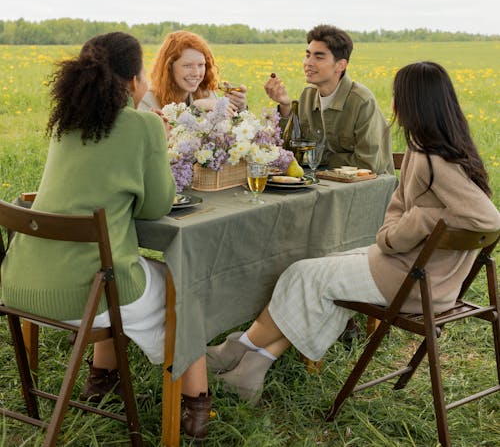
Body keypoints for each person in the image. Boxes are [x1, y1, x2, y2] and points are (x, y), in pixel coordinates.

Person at [207, 61, 500, 404]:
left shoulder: (431, 157)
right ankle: (252, 366)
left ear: (410, 103)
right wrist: (413, 226)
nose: (393, 104)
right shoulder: (447, 148)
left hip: (413, 282)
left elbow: (487, 218)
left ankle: (238, 349)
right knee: (320, 273)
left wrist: (418, 221)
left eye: (397, 97)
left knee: (301, 273)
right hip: (418, 273)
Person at [1, 32, 212, 440]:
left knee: (114, 269)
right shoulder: (144, 124)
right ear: (135, 80)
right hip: (86, 293)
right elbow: (155, 208)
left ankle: (101, 382)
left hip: (20, 287)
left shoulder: (67, 123)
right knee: (183, 287)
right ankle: (196, 408)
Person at [264, 24, 393, 173]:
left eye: (318, 57)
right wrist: (285, 106)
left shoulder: (361, 101)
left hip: (367, 188)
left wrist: (318, 157)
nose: (308, 63)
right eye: (307, 55)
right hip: (324, 182)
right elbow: (290, 151)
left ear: (340, 65)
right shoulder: (308, 95)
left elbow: (369, 164)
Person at [139, 30, 247, 116]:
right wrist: (195, 108)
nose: (196, 73)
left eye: (201, 65)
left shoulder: (208, 94)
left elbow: (227, 135)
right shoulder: (147, 102)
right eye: (187, 66)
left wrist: (239, 108)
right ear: (169, 68)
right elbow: (164, 140)